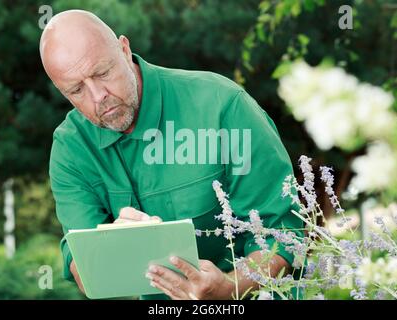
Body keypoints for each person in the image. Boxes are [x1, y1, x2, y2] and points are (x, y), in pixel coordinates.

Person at [40, 9, 303, 300]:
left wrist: (230, 289)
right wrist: (109, 245)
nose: (97, 95)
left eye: (102, 73)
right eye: (76, 89)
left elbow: (282, 234)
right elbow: (82, 270)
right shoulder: (70, 148)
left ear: (125, 50)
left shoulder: (223, 106)